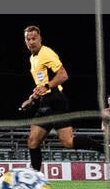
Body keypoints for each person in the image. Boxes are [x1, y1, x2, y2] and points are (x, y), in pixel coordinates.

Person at [21, 25, 74, 175]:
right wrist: (31, 99)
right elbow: (41, 84)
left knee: (68, 142)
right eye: (28, 39)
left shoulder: (46, 53)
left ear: (40, 39)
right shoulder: (33, 58)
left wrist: (47, 86)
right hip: (45, 102)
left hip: (56, 100)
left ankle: (105, 148)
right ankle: (36, 179)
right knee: (33, 142)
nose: (31, 41)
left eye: (34, 38)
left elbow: (63, 75)